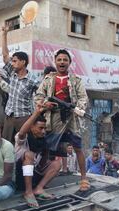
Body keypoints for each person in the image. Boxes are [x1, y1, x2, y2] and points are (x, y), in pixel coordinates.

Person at [34, 49, 89, 191]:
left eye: (65, 60)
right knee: (47, 147)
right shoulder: (48, 80)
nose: (62, 62)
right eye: (59, 60)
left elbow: (83, 97)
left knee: (77, 147)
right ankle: (41, 177)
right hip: (52, 118)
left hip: (71, 118)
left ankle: (84, 178)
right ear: (55, 62)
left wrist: (78, 107)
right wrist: (45, 104)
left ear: (70, 62)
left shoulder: (76, 80)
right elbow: (39, 96)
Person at [0, 26, 39, 143]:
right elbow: (5, 55)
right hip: (9, 117)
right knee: (6, 146)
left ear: (23, 62)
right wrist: (4, 34)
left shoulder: (32, 80)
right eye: (12, 61)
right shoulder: (12, 73)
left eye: (15, 61)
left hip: (24, 118)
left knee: (23, 147)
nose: (12, 63)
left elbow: (41, 95)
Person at [14, 105, 61, 208]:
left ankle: (38, 189)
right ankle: (28, 192)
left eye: (44, 128)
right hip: (18, 177)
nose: (43, 131)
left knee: (57, 163)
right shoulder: (22, 138)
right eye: (40, 128)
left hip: (33, 176)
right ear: (31, 127)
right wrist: (36, 112)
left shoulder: (42, 141)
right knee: (29, 155)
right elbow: (22, 132)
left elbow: (42, 165)